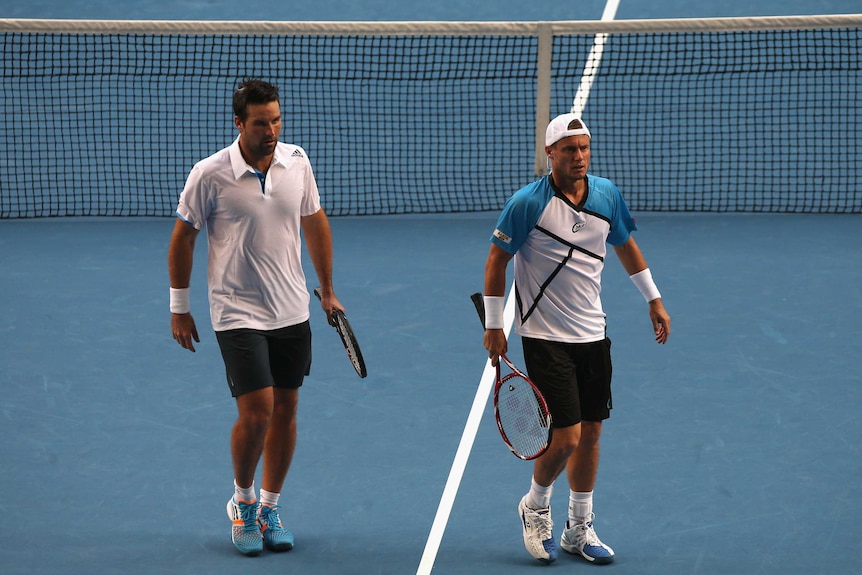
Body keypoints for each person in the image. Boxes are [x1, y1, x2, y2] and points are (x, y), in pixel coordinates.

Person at [481, 113, 671, 565]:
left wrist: (653, 298)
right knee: (564, 438)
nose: (579, 156)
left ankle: (579, 529)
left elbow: (624, 244)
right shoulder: (528, 203)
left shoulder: (606, 194)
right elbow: (495, 261)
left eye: (584, 148)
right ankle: (535, 506)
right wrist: (493, 325)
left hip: (593, 333)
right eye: (569, 149)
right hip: (544, 334)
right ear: (550, 153)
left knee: (590, 434)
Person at [168, 78, 343, 557]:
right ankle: (242, 500)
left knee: (286, 410)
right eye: (262, 122)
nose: (272, 130)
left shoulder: (297, 162)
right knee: (258, 411)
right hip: (236, 311)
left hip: (291, 308)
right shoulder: (209, 174)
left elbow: (314, 221)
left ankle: (270, 506)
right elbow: (183, 238)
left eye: (277, 120)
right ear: (239, 123)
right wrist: (179, 307)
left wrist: (327, 290)